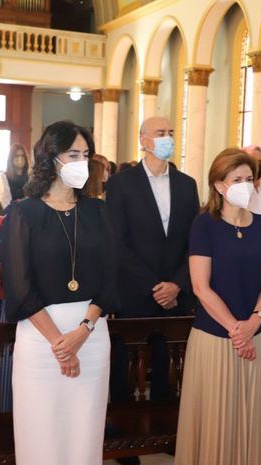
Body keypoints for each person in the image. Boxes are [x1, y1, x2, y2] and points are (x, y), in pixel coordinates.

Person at [0, 120, 117, 465]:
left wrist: (83, 332)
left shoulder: (98, 211)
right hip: (41, 339)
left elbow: (110, 280)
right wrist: (60, 344)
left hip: (91, 334)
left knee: (85, 433)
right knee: (43, 433)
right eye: (73, 154)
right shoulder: (23, 213)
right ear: (51, 158)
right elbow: (20, 288)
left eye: (86, 154)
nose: (82, 161)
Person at [175, 148, 261, 465]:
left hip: (257, 337)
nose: (245, 184)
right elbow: (200, 287)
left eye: (249, 178)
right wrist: (237, 330)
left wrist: (254, 322)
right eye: (237, 179)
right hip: (216, 339)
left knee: (253, 421)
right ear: (219, 185)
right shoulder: (204, 225)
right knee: (216, 423)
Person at [105, 116, 200, 404]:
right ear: (143, 140)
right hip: (135, 291)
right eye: (160, 133)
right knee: (125, 365)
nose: (167, 138)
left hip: (176, 294)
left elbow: (193, 242)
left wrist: (177, 284)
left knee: (167, 366)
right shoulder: (121, 184)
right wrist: (154, 286)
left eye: (171, 133)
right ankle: (124, 440)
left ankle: (167, 430)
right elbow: (117, 242)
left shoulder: (187, 184)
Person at [0, 144, 30, 209]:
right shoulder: (3, 177)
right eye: (16, 156)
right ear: (11, 158)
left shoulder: (31, 176)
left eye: (22, 156)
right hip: (13, 214)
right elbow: (5, 202)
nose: (20, 158)